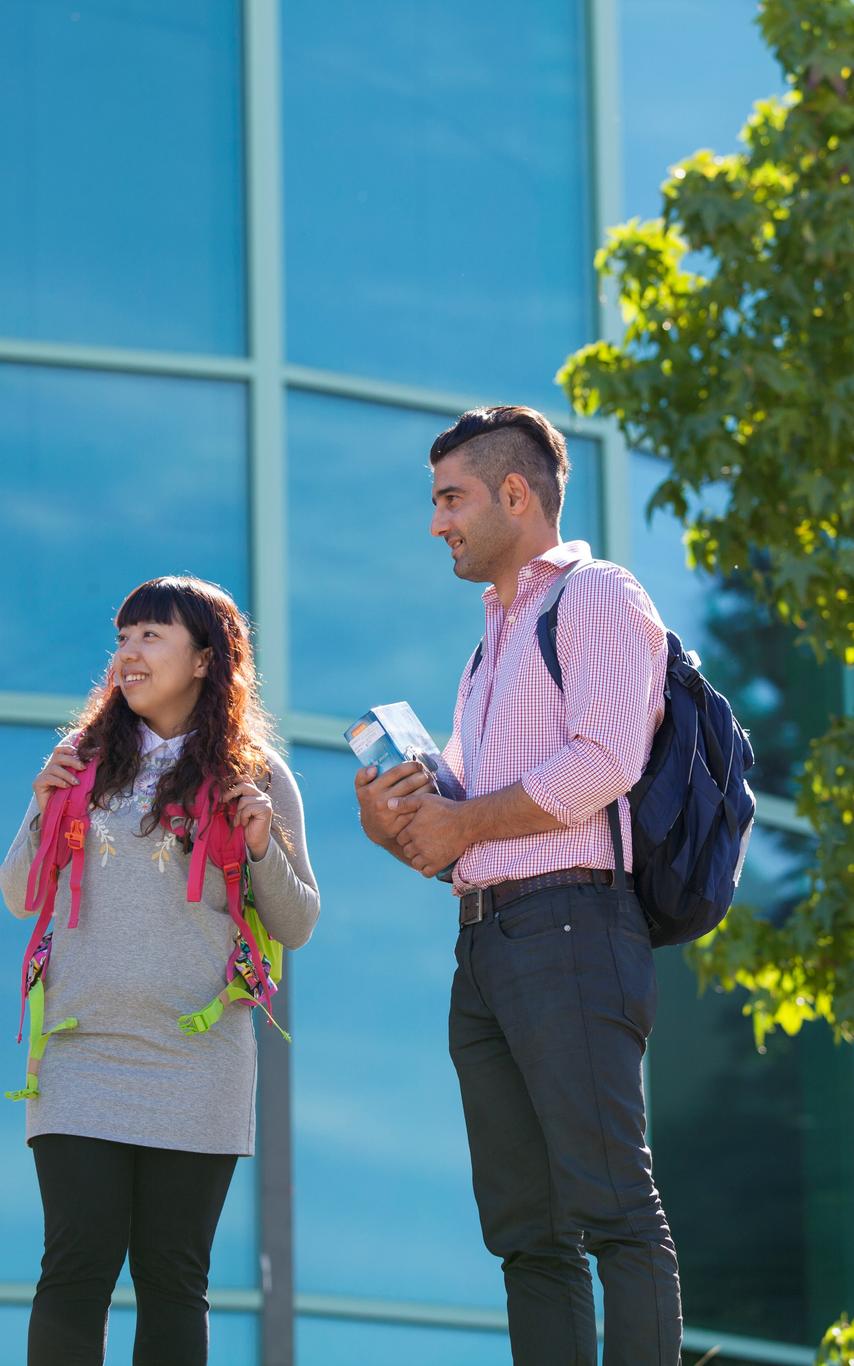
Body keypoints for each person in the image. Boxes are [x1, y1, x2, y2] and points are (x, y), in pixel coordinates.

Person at [355, 406, 682, 1365]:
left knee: (615, 1207)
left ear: (514, 493)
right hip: (487, 945)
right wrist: (398, 825)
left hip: (573, 927)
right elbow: (463, 836)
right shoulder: (486, 649)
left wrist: (462, 822)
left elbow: (603, 762)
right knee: (527, 1237)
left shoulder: (598, 595)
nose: (436, 523)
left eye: (450, 499)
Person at [0, 575, 320, 1366]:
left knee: (175, 1279)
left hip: (199, 1061)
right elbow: (20, 895)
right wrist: (41, 809)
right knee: (74, 1267)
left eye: (151, 635)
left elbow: (297, 923)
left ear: (206, 659)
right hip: (81, 1053)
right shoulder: (78, 762)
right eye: (123, 637)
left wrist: (260, 846)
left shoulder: (258, 776)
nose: (129, 654)